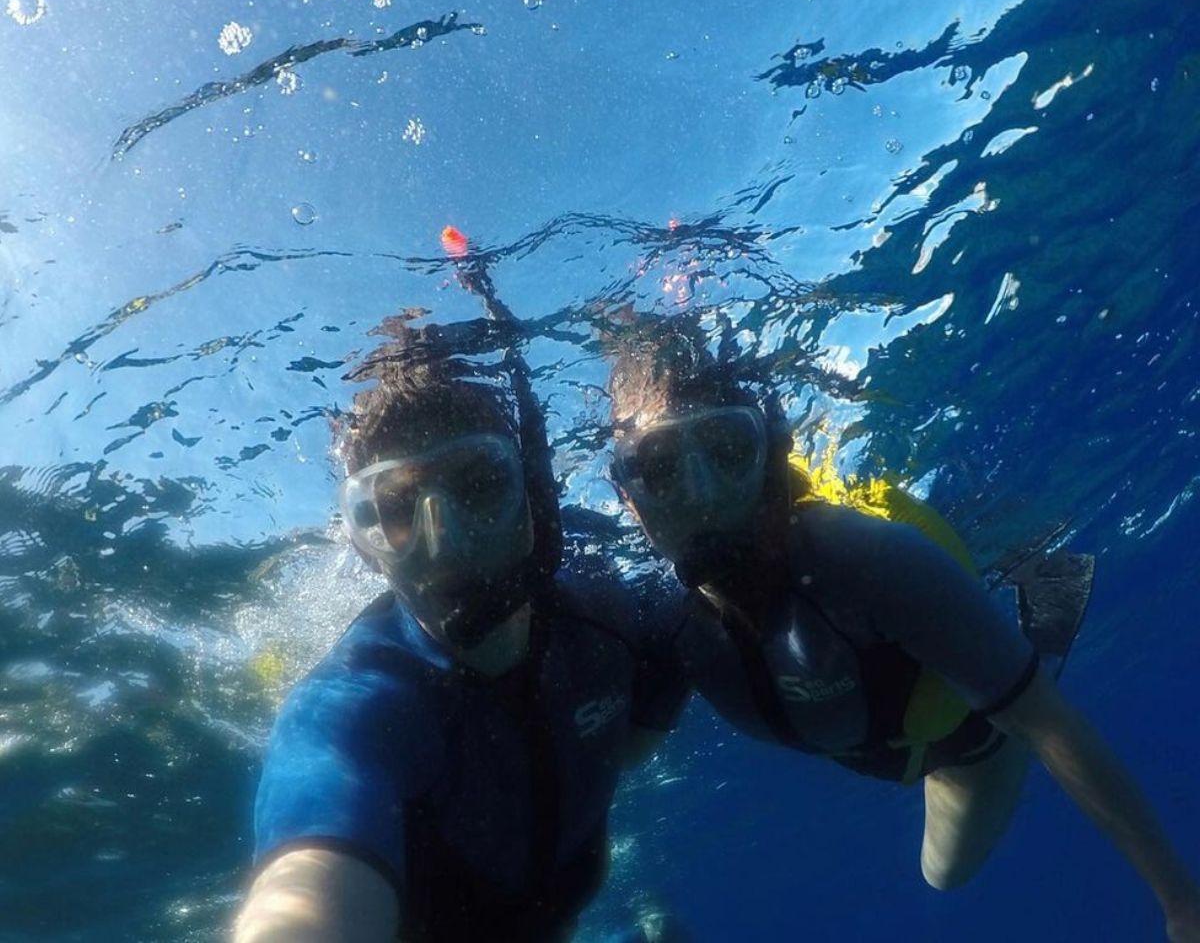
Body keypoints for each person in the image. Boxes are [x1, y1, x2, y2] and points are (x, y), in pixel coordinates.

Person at [605, 320, 1200, 941]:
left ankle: (1023, 656)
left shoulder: (867, 562)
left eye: (727, 450)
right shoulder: (660, 624)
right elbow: (610, 761)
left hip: (962, 747)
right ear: (627, 494)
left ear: (769, 455)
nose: (701, 496)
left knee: (944, 871)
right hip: (878, 744)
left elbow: (1051, 724)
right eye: (660, 465)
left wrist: (1180, 901)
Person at [235, 347, 685, 943]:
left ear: (534, 498)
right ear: (364, 542)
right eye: (396, 508)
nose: (444, 540)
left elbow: (639, 730)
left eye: (478, 484)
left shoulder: (617, 610)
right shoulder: (357, 708)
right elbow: (304, 888)